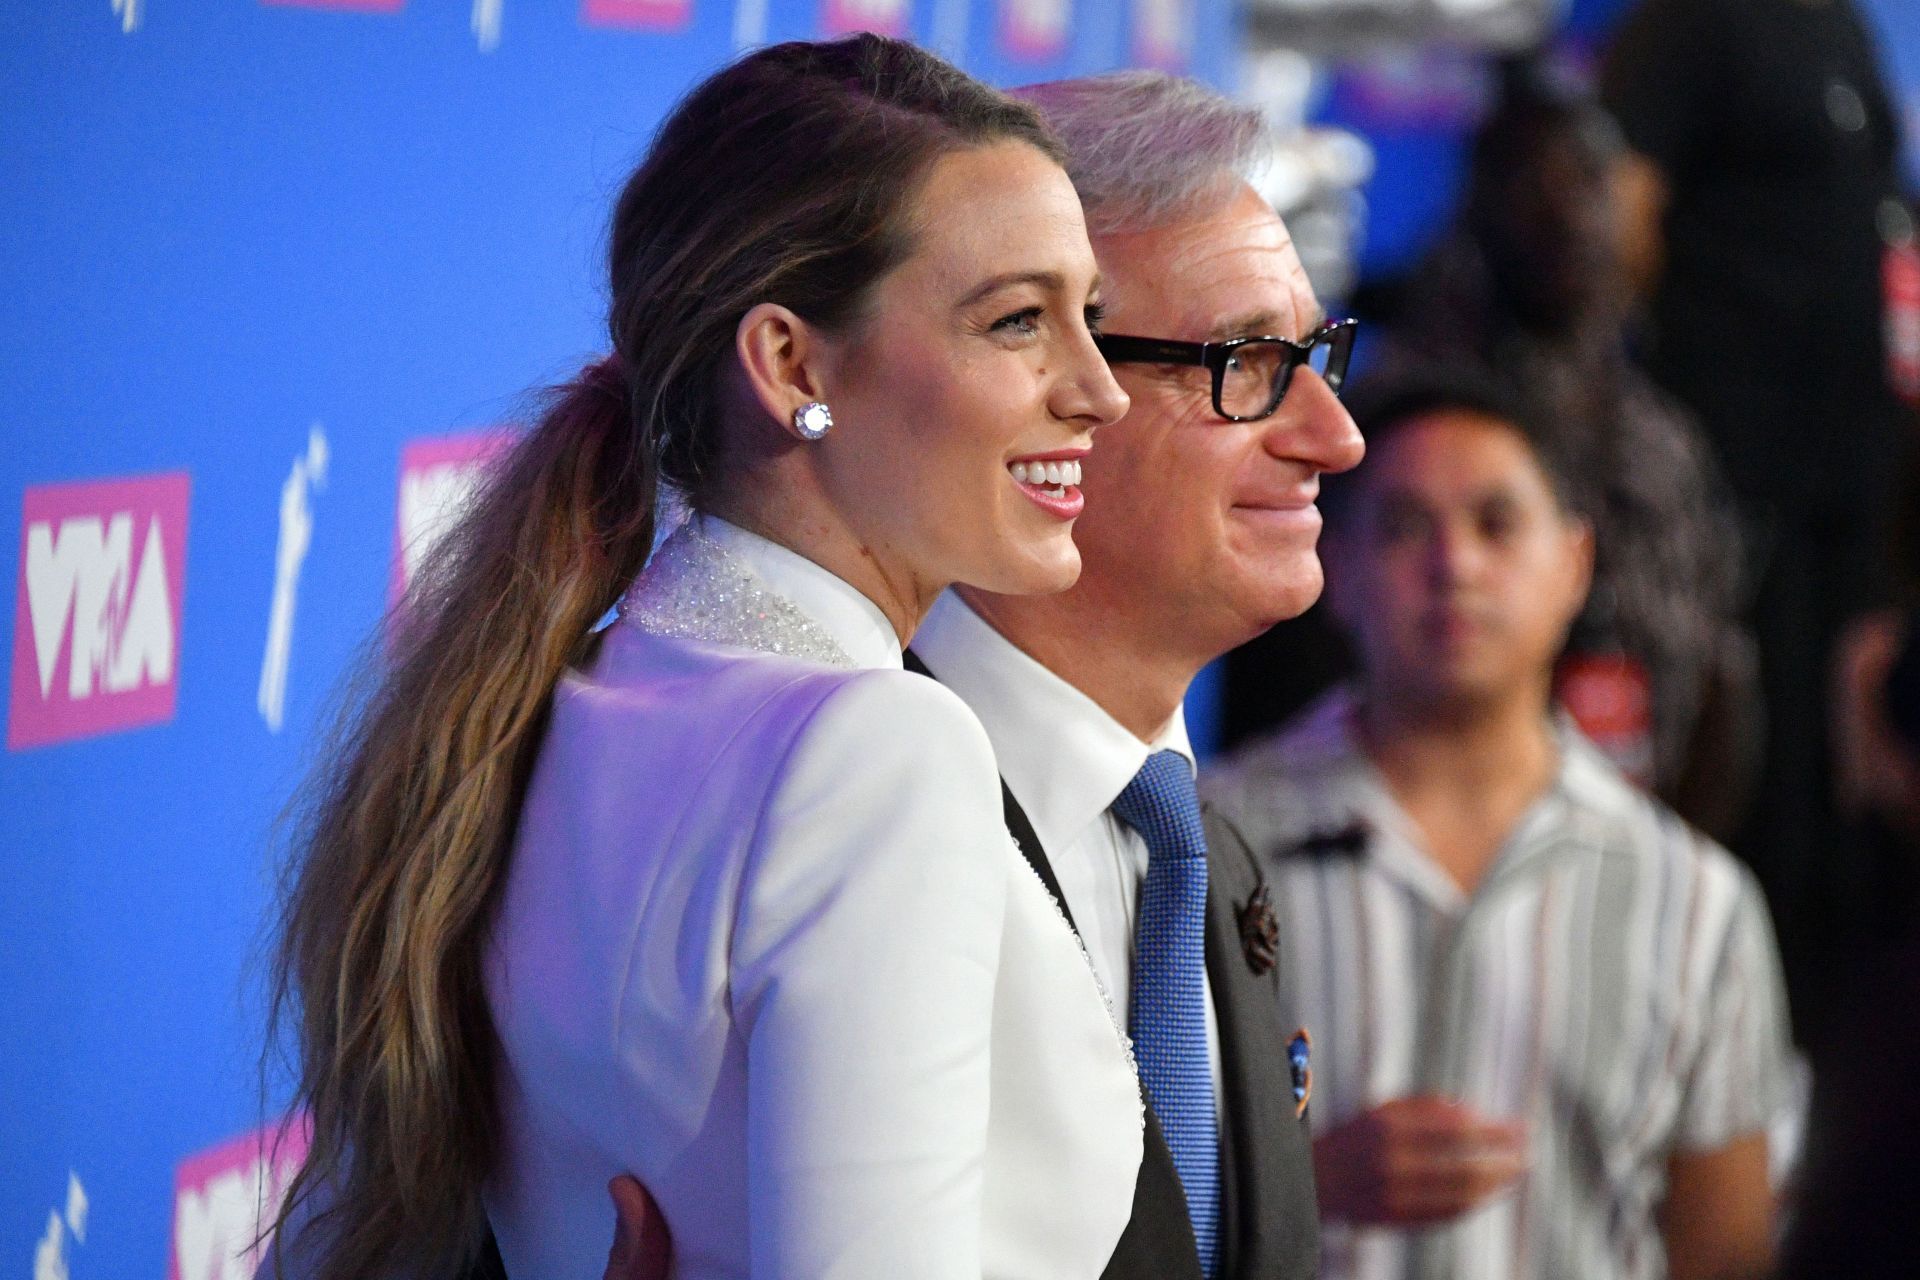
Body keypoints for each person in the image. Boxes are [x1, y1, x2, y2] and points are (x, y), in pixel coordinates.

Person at [262, 36, 1140, 1280]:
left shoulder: (565, 700)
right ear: (792, 366)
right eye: (1018, 321)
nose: (1100, 390)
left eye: (1087, 316)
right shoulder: (878, 749)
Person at [591, 69, 1366, 1280]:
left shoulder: (1210, 855)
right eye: (1246, 361)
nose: (1334, 434)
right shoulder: (844, 776)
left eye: (1319, 354)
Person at [1204, 370, 1792, 1280]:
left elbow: (1725, 1253)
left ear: (1575, 563)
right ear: (1338, 570)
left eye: (1497, 523)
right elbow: (1107, 1197)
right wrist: (1300, 1180)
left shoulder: (1694, 903)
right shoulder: (1213, 843)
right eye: (1404, 527)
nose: (1455, 565)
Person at [1602, 0, 1915, 1047]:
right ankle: (1737, 1049)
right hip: (1737, 477)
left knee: (1848, 786)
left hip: (1856, 483)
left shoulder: (1848, 29)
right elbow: (1625, 217)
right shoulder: (1685, 25)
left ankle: (1831, 1051)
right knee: (1756, 777)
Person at [1381, 58, 1756, 841]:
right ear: (1480, 205)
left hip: (1646, 829)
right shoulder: (1404, 425)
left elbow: (1723, 667)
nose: (1570, 214)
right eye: (1535, 186)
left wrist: (1674, 865)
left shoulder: (1660, 434)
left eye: (1589, 182)